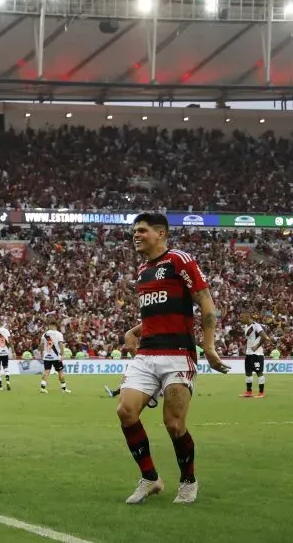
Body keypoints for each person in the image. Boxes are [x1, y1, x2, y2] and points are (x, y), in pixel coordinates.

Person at [116, 212, 229, 505]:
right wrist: (133, 330)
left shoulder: (180, 260)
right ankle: (150, 478)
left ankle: (189, 482)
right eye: (134, 231)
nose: (136, 235)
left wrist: (209, 346)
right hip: (147, 353)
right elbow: (157, 314)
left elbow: (205, 300)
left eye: (141, 230)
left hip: (178, 354)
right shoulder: (142, 271)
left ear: (161, 233)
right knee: (126, 412)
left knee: (174, 424)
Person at [240, 311, 267, 398]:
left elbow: (264, 336)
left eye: (242, 317)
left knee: (259, 372)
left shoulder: (256, 326)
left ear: (247, 317)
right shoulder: (245, 326)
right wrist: (245, 347)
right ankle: (249, 392)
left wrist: (256, 346)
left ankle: (261, 392)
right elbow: (249, 339)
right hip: (249, 353)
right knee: (248, 372)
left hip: (257, 354)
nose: (240, 319)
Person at [39, 321, 70, 394]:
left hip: (47, 356)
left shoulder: (45, 334)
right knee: (60, 372)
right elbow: (61, 345)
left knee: (46, 371)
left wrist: (42, 352)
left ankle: (42, 388)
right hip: (56, 357)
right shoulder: (59, 334)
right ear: (56, 326)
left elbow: (41, 345)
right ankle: (64, 388)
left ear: (50, 325)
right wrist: (62, 354)